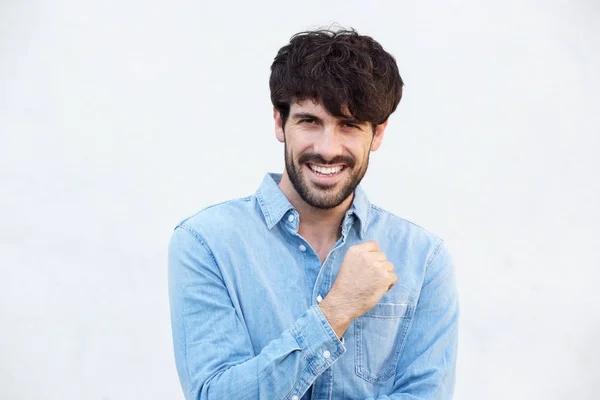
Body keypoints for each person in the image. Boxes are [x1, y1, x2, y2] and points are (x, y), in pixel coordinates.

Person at [168, 27, 459, 400]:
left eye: (349, 126)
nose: (327, 148)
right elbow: (215, 394)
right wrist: (336, 311)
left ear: (378, 134)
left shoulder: (424, 260)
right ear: (279, 122)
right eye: (310, 121)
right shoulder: (206, 244)